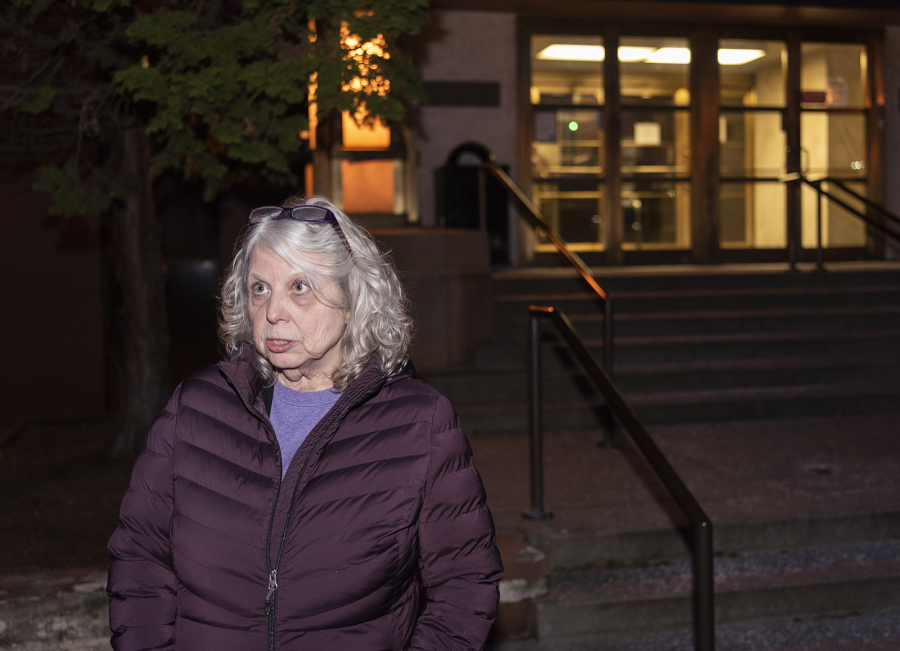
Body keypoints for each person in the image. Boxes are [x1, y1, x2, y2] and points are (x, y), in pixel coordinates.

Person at [107, 196, 503, 650]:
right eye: (260, 288)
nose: (274, 311)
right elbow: (139, 560)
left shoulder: (419, 422)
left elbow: (465, 586)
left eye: (300, 287)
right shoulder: (194, 409)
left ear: (354, 298)